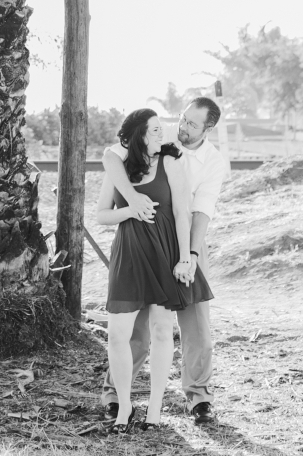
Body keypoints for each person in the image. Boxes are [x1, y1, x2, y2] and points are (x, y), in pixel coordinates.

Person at [101, 97, 226, 426]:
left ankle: (198, 397)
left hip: (186, 241)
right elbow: (115, 156)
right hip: (144, 241)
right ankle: (117, 395)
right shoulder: (159, 133)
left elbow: (198, 212)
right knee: (138, 324)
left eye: (192, 125)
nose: (182, 128)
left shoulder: (214, 163)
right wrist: (131, 200)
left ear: (208, 129)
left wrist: (191, 256)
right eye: (183, 119)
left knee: (196, 322)